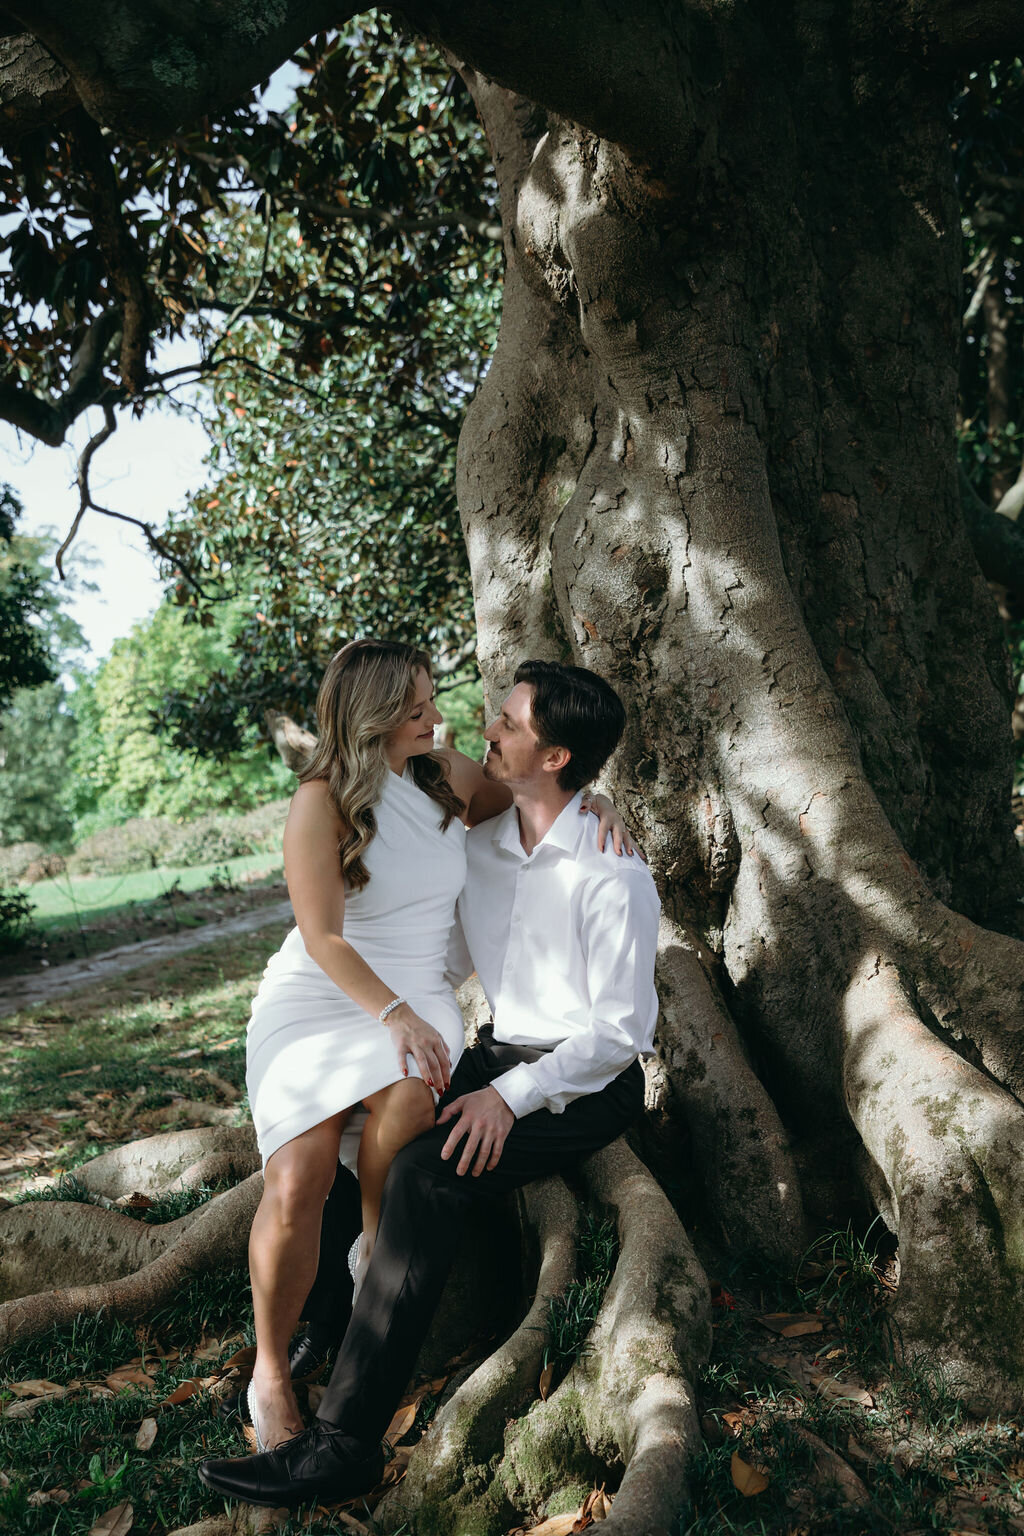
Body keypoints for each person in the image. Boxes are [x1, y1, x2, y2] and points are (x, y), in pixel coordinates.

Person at [199, 659, 660, 1508]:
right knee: (333, 1149)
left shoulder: (612, 873)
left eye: (511, 724)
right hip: (479, 1048)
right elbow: (425, 935)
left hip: (584, 1080)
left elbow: (622, 1036)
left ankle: (342, 1444)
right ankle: (326, 1325)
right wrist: (457, 1059)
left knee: (421, 1174)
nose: (480, 728)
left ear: (555, 758)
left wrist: (506, 1097)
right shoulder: (476, 843)